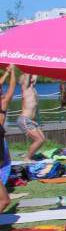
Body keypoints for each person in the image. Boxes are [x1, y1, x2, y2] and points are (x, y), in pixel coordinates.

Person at [16, 73, 45, 160]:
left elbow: (35, 73)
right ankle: (27, 158)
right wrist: (28, 71)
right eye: (30, 77)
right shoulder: (25, 88)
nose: (32, 77)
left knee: (42, 139)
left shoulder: (32, 89)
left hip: (31, 121)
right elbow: (27, 73)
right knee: (38, 140)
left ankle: (30, 156)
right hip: (24, 120)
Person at [0, 66, 16, 212]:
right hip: (1, 144)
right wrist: (12, 73)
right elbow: (11, 89)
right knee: (4, 168)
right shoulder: (2, 103)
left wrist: (7, 72)